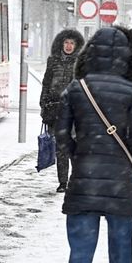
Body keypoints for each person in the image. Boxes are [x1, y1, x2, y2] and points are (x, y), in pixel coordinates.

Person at [54, 26, 132, 263]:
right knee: (121, 245)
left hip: (83, 180)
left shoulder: (77, 89)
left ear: (89, 52)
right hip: (120, 183)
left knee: (81, 248)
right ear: (127, 58)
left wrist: (80, 155)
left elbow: (62, 132)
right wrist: (122, 158)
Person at [40, 28, 85, 192]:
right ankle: (63, 182)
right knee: (61, 148)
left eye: (72, 43)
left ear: (76, 45)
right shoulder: (52, 61)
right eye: (66, 42)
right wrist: (43, 104)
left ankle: (76, 180)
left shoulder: (81, 63)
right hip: (55, 108)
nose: (68, 46)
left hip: (74, 110)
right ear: (61, 43)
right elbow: (46, 83)